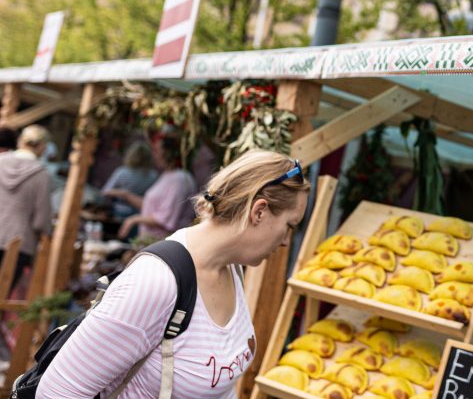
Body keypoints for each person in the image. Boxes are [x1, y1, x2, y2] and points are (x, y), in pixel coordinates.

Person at [37, 150, 309, 397]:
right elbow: (56, 392)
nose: (286, 241)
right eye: (289, 225)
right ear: (259, 211)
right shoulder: (156, 282)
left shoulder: (232, 268)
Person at [116, 131, 197, 240]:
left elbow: (166, 219)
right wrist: (125, 195)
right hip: (150, 241)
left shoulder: (179, 179)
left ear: (168, 153)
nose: (155, 155)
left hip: (162, 244)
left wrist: (134, 219)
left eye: (157, 151)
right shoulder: (168, 175)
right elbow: (151, 207)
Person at [0, 125, 53, 288]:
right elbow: (41, 221)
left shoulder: (1, 161)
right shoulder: (41, 174)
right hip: (19, 243)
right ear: (43, 146)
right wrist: (46, 233)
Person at [101, 141, 159, 219]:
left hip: (119, 212)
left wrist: (122, 193)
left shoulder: (123, 172)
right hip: (141, 214)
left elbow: (105, 191)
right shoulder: (153, 176)